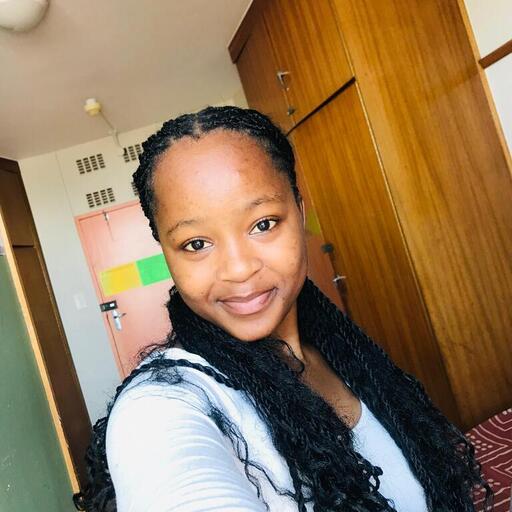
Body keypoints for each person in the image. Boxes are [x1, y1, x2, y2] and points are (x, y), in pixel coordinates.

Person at [74, 106, 492, 512]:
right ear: (167, 254)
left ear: (300, 213)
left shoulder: (339, 352)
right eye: (196, 244)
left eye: (264, 224)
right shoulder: (162, 406)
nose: (239, 269)